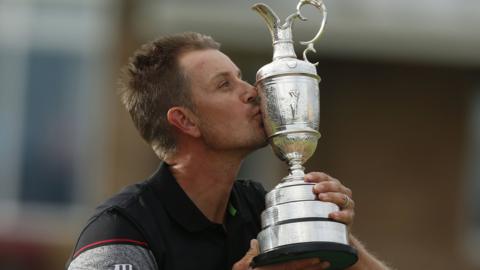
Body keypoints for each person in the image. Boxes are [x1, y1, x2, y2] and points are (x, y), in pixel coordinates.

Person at [66, 32, 391, 270]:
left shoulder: (261, 211)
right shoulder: (123, 231)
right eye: (225, 85)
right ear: (185, 120)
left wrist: (332, 233)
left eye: (240, 78)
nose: (251, 92)